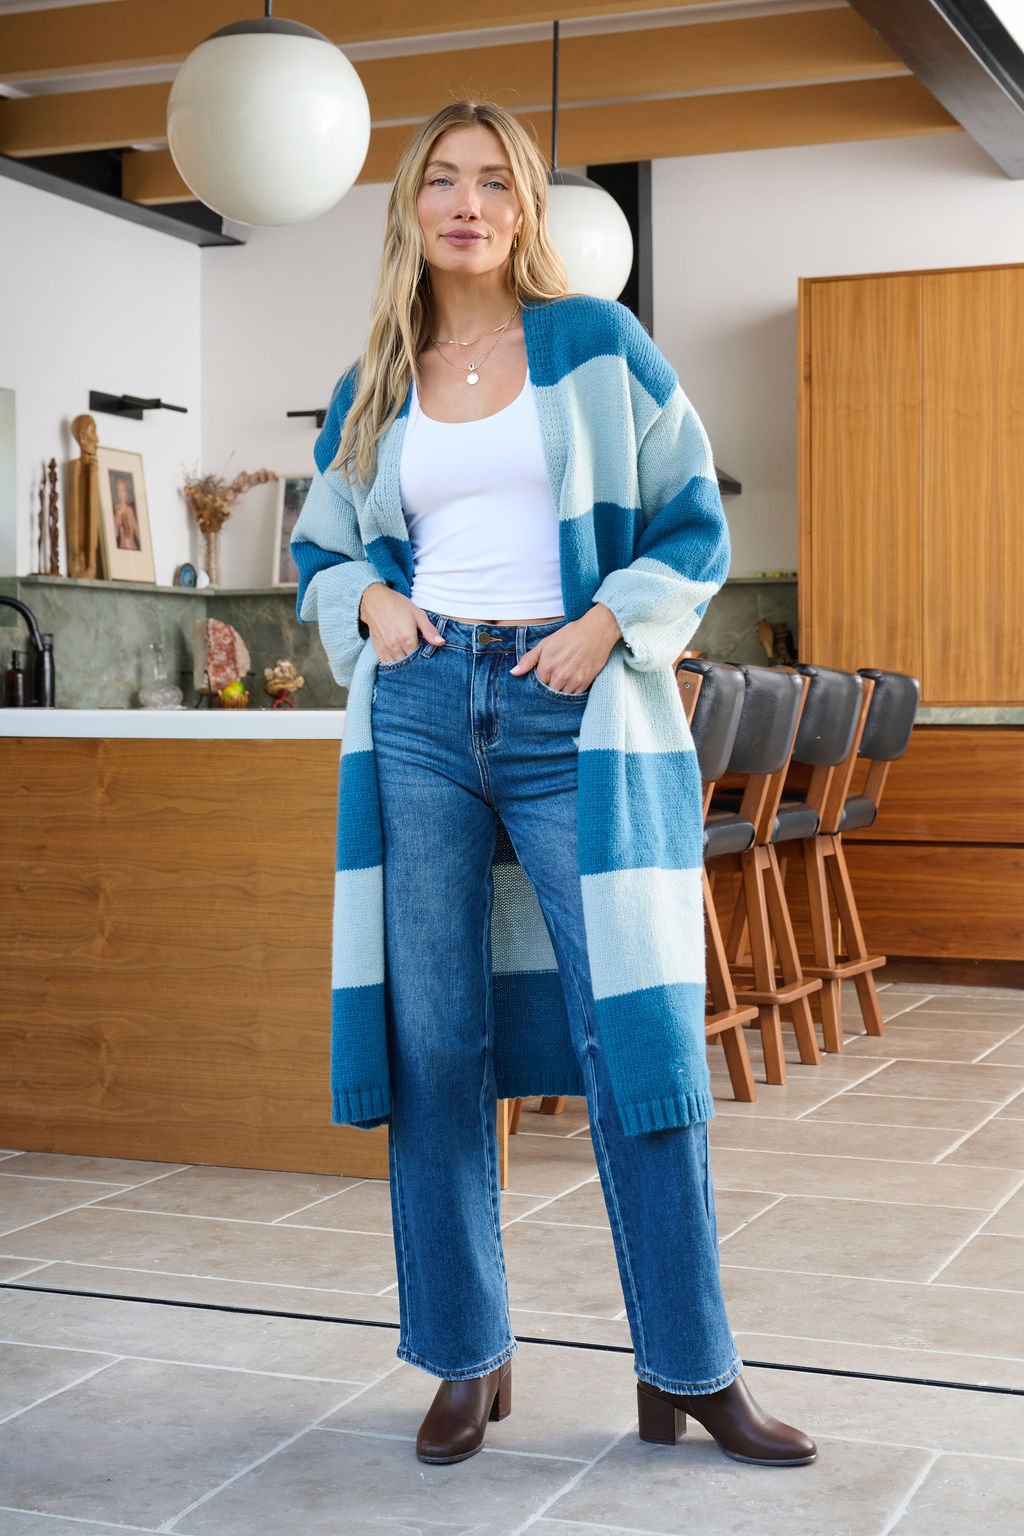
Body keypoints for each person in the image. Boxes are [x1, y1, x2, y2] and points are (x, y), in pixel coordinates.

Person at [291, 100, 816, 1471]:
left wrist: (609, 622)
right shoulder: (375, 381)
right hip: (417, 711)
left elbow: (695, 518)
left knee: (632, 1037)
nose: (469, 204)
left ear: (525, 210)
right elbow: (320, 554)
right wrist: (372, 604)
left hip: (568, 710)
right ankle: (467, 1359)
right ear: (411, 206)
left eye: (496, 184)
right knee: (438, 1043)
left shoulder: (597, 346)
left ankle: (690, 1368)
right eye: (444, 182)